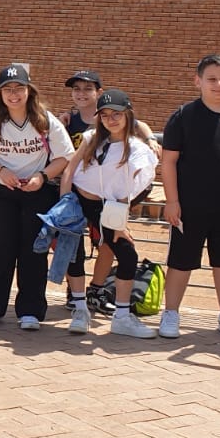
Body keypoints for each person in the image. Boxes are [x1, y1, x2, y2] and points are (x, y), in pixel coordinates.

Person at [158, 54, 220, 339]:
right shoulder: (183, 116)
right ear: (198, 81)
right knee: (181, 260)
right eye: (212, 79)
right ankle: (171, 313)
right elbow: (169, 161)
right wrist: (172, 201)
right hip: (189, 206)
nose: (219, 84)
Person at [0, 64, 74, 330]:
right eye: (7, 89)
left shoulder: (45, 120)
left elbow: (64, 156)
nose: (13, 94)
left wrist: (42, 176)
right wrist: (0, 171)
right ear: (0, 93)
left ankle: (30, 311)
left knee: (34, 251)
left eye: (19, 88)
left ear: (29, 91)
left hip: (37, 192)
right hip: (3, 192)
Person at [58, 88, 160, 338]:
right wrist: (65, 202)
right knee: (73, 252)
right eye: (104, 115)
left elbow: (130, 188)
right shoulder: (92, 137)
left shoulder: (136, 148)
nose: (110, 120)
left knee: (127, 255)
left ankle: (122, 317)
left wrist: (120, 223)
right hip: (78, 199)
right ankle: (80, 310)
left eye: (116, 114)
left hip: (108, 206)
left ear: (127, 114)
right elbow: (70, 169)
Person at [59, 70, 102, 149]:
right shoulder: (67, 122)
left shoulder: (107, 121)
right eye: (77, 89)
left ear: (99, 93)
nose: (81, 93)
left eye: (88, 89)